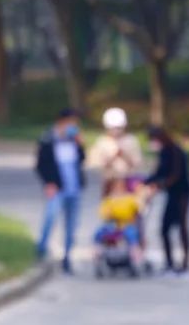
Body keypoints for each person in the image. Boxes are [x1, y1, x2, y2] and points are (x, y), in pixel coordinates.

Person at [34, 107, 85, 273]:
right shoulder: (48, 139)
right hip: (56, 188)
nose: (73, 125)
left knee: (71, 225)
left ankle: (67, 257)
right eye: (71, 122)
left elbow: (82, 160)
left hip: (74, 187)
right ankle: (41, 249)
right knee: (51, 217)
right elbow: (40, 164)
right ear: (61, 122)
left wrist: (80, 144)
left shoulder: (74, 140)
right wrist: (48, 183)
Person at [144, 126, 189, 276]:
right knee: (165, 229)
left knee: (182, 227)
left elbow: (175, 175)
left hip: (182, 193)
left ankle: (185, 263)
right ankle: (169, 262)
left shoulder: (175, 151)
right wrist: (146, 183)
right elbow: (159, 172)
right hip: (171, 194)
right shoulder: (164, 152)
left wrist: (160, 185)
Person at [93, 176, 146, 269]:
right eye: (116, 187)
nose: (118, 189)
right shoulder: (109, 199)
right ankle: (97, 253)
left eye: (120, 186)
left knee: (131, 234)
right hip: (112, 225)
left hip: (125, 225)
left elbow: (139, 208)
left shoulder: (130, 198)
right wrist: (109, 213)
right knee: (99, 233)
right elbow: (103, 213)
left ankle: (135, 255)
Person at [87, 107, 143, 191]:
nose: (116, 131)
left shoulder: (131, 141)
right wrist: (113, 157)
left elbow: (136, 163)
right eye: (113, 128)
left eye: (118, 128)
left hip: (128, 181)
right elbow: (98, 165)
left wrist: (124, 155)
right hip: (110, 181)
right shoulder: (102, 142)